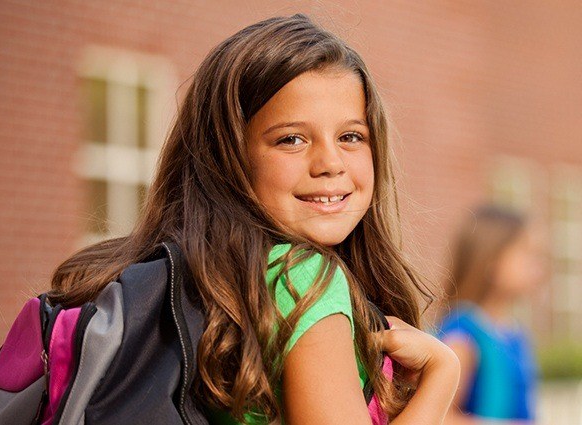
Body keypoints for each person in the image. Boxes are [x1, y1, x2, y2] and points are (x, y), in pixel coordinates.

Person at [49, 13, 459, 424]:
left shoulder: (204, 279)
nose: (330, 163)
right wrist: (441, 376)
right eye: (291, 139)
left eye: (351, 136)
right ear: (227, 157)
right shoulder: (303, 279)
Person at [438, 205, 546, 424]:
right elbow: (439, 416)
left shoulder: (514, 333)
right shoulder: (462, 335)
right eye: (526, 252)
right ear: (491, 259)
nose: (537, 265)